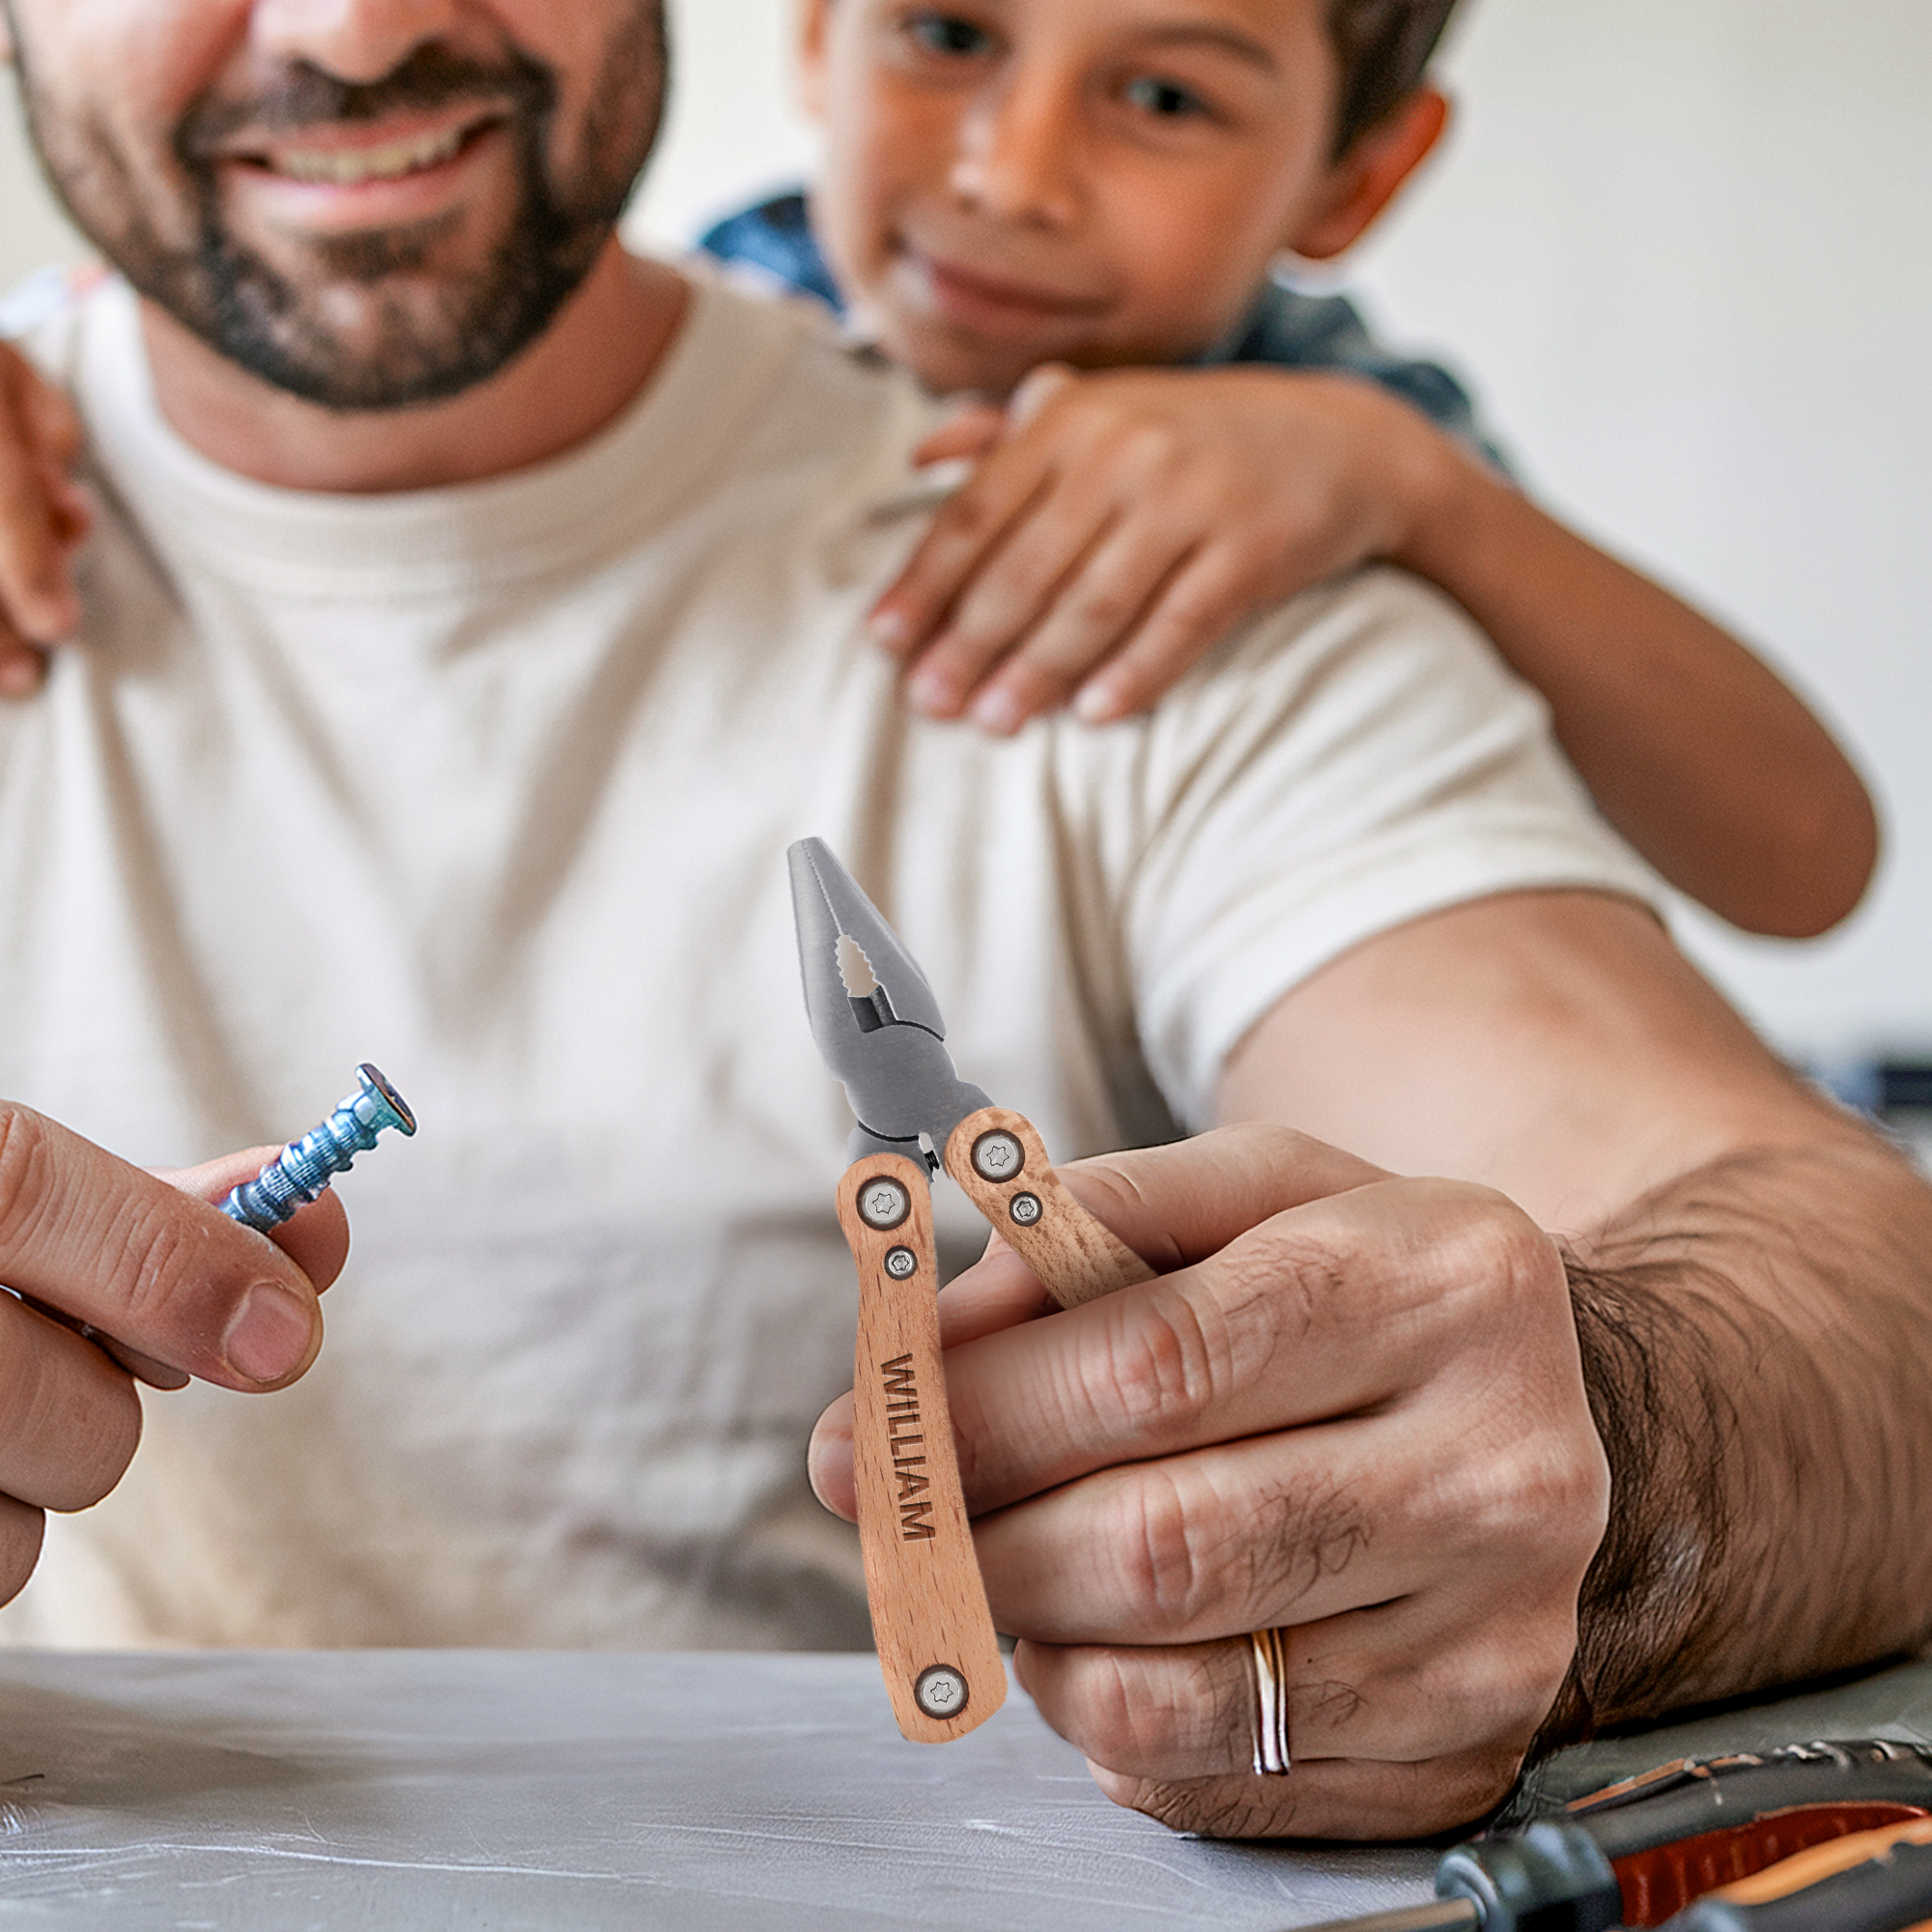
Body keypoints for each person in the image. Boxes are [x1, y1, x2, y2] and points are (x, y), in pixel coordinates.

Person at [0, 0, 1927, 1847]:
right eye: (948, 36)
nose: (350, 29)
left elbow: (1856, 1289)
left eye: (1161, 93)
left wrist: (1608, 1460)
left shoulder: (1149, 547)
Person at [0, 1, 1879, 941]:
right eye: (947, 34)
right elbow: (242, 301)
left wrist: (1413, 490)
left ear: (1355, 179)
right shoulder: (719, 310)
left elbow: (1804, 867)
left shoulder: (1337, 427)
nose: (1005, 169)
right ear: (817, 35)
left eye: (1162, 96)